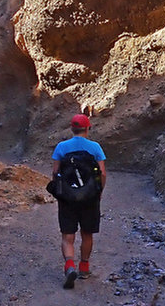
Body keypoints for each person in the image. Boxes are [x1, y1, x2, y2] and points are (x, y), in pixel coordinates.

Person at [51, 113, 107, 289]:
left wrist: (61, 193)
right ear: (88, 128)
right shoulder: (95, 147)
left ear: (71, 128)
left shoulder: (61, 147)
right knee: (87, 233)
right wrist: (98, 192)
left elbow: (55, 173)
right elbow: (103, 174)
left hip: (68, 198)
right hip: (89, 197)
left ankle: (69, 266)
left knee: (68, 235)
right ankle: (84, 267)